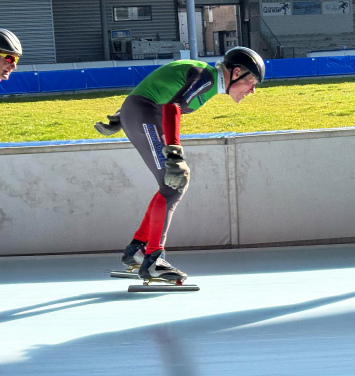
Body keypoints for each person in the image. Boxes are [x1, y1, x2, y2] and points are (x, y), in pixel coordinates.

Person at [94, 47, 265, 283]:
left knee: (170, 185)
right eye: (252, 81)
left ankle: (138, 250)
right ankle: (153, 259)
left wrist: (122, 115)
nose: (253, 90)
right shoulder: (207, 78)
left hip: (141, 112)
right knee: (174, 183)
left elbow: (162, 89)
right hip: (144, 112)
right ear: (236, 72)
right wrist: (174, 153)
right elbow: (172, 107)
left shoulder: (208, 79)